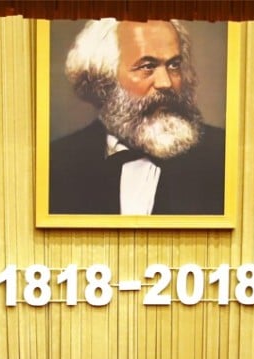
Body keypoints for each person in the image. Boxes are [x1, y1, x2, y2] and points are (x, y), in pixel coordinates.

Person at [49, 19, 226, 216]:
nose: (166, 82)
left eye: (174, 65)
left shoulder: (222, 156)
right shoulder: (57, 163)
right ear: (104, 79)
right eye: (147, 66)